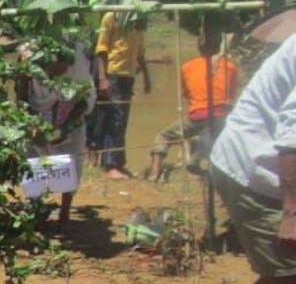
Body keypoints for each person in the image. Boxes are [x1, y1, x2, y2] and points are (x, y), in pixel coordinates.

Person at [197, 35, 296, 284]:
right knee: (290, 276)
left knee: (280, 273)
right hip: (257, 169)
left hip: (269, 168)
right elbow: (290, 138)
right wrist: (291, 213)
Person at [19, 40, 96, 228]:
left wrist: (66, 127)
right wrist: (31, 125)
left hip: (69, 116)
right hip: (38, 118)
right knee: (33, 162)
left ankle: (64, 212)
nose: (56, 71)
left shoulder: (75, 68)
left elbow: (84, 102)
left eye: (61, 67)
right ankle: (36, 209)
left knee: (71, 162)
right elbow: (21, 98)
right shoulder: (30, 67)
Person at [147, 31, 239, 181]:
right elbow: (232, 95)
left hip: (198, 115)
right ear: (218, 47)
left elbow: (186, 93)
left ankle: (154, 173)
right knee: (211, 137)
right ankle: (195, 162)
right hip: (223, 116)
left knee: (164, 136)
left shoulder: (187, 67)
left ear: (199, 46)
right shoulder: (231, 67)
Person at [93, 12, 151, 178]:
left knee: (122, 120)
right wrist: (102, 78)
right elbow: (101, 49)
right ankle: (110, 165)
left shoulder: (138, 18)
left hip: (128, 75)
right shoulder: (111, 17)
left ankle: (119, 163)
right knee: (115, 119)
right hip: (113, 73)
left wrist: (147, 76)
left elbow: (140, 51)